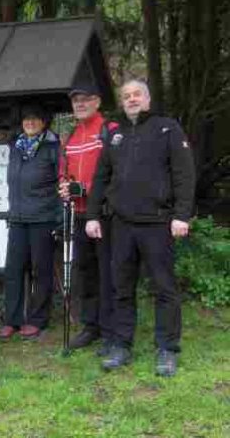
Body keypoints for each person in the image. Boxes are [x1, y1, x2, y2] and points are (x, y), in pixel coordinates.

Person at [86, 79, 196, 377]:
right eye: (126, 96)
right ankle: (121, 345)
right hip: (121, 224)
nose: (131, 99)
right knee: (121, 287)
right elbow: (101, 177)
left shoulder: (167, 128)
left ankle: (167, 349)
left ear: (147, 99)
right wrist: (93, 215)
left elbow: (184, 173)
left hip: (158, 223)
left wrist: (182, 215)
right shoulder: (115, 134)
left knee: (164, 288)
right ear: (122, 102)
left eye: (137, 95)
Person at [58, 83, 118, 355]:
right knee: (86, 272)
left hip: (104, 215)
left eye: (85, 99)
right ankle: (91, 326)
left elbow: (117, 173)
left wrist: (87, 189)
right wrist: (64, 186)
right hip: (79, 214)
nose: (80, 104)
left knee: (108, 273)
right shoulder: (72, 135)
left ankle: (110, 330)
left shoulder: (109, 130)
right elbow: (64, 171)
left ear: (97, 102)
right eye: (76, 101)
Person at [0, 104, 61, 340]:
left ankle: (37, 319)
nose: (31, 122)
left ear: (44, 122)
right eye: (27, 119)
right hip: (17, 218)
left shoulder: (53, 147)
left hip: (43, 219)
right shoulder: (16, 147)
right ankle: (12, 320)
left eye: (35, 118)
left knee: (41, 271)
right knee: (13, 270)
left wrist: (58, 217)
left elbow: (61, 182)